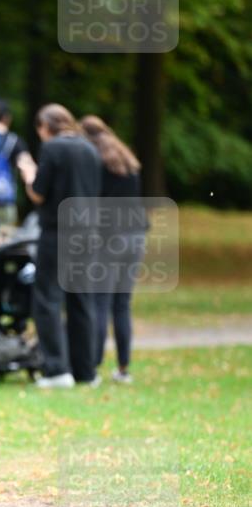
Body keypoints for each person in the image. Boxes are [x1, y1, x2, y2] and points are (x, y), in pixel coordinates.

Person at [18, 103, 101, 388]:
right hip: (87, 233)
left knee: (47, 300)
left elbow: (39, 194)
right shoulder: (89, 148)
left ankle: (57, 369)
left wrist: (29, 173)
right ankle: (85, 371)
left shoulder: (53, 149)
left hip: (57, 233)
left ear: (45, 127)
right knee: (81, 301)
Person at [81, 115, 145, 384]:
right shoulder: (127, 160)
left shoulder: (95, 161)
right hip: (136, 235)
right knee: (122, 304)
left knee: (99, 302)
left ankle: (92, 367)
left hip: (109, 238)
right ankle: (123, 368)